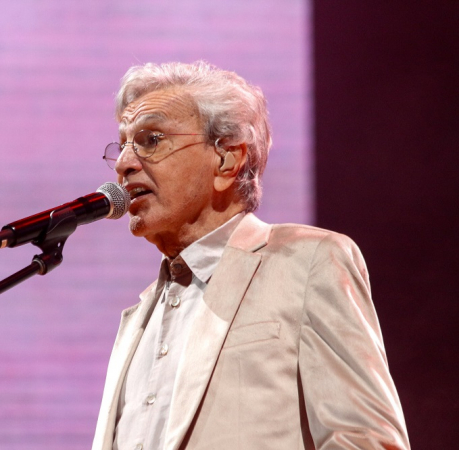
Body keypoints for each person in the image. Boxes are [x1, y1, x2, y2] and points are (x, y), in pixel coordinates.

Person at [92, 61, 409, 450]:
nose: (124, 163)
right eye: (123, 144)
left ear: (227, 158)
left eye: (151, 139)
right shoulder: (140, 316)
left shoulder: (308, 262)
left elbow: (367, 441)